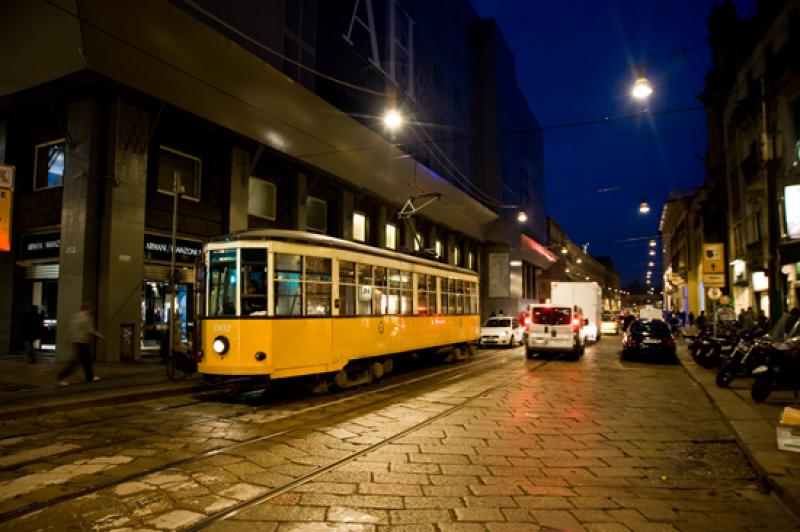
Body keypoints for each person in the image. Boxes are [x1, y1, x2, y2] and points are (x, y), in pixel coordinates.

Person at [57, 303, 105, 385]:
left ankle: (89, 377)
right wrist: (101, 336)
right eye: (91, 309)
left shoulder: (75, 316)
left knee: (86, 360)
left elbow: (71, 329)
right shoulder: (86, 317)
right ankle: (61, 377)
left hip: (76, 341)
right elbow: (90, 330)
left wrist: (69, 340)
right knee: (78, 361)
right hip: (82, 342)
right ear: (88, 309)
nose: (93, 310)